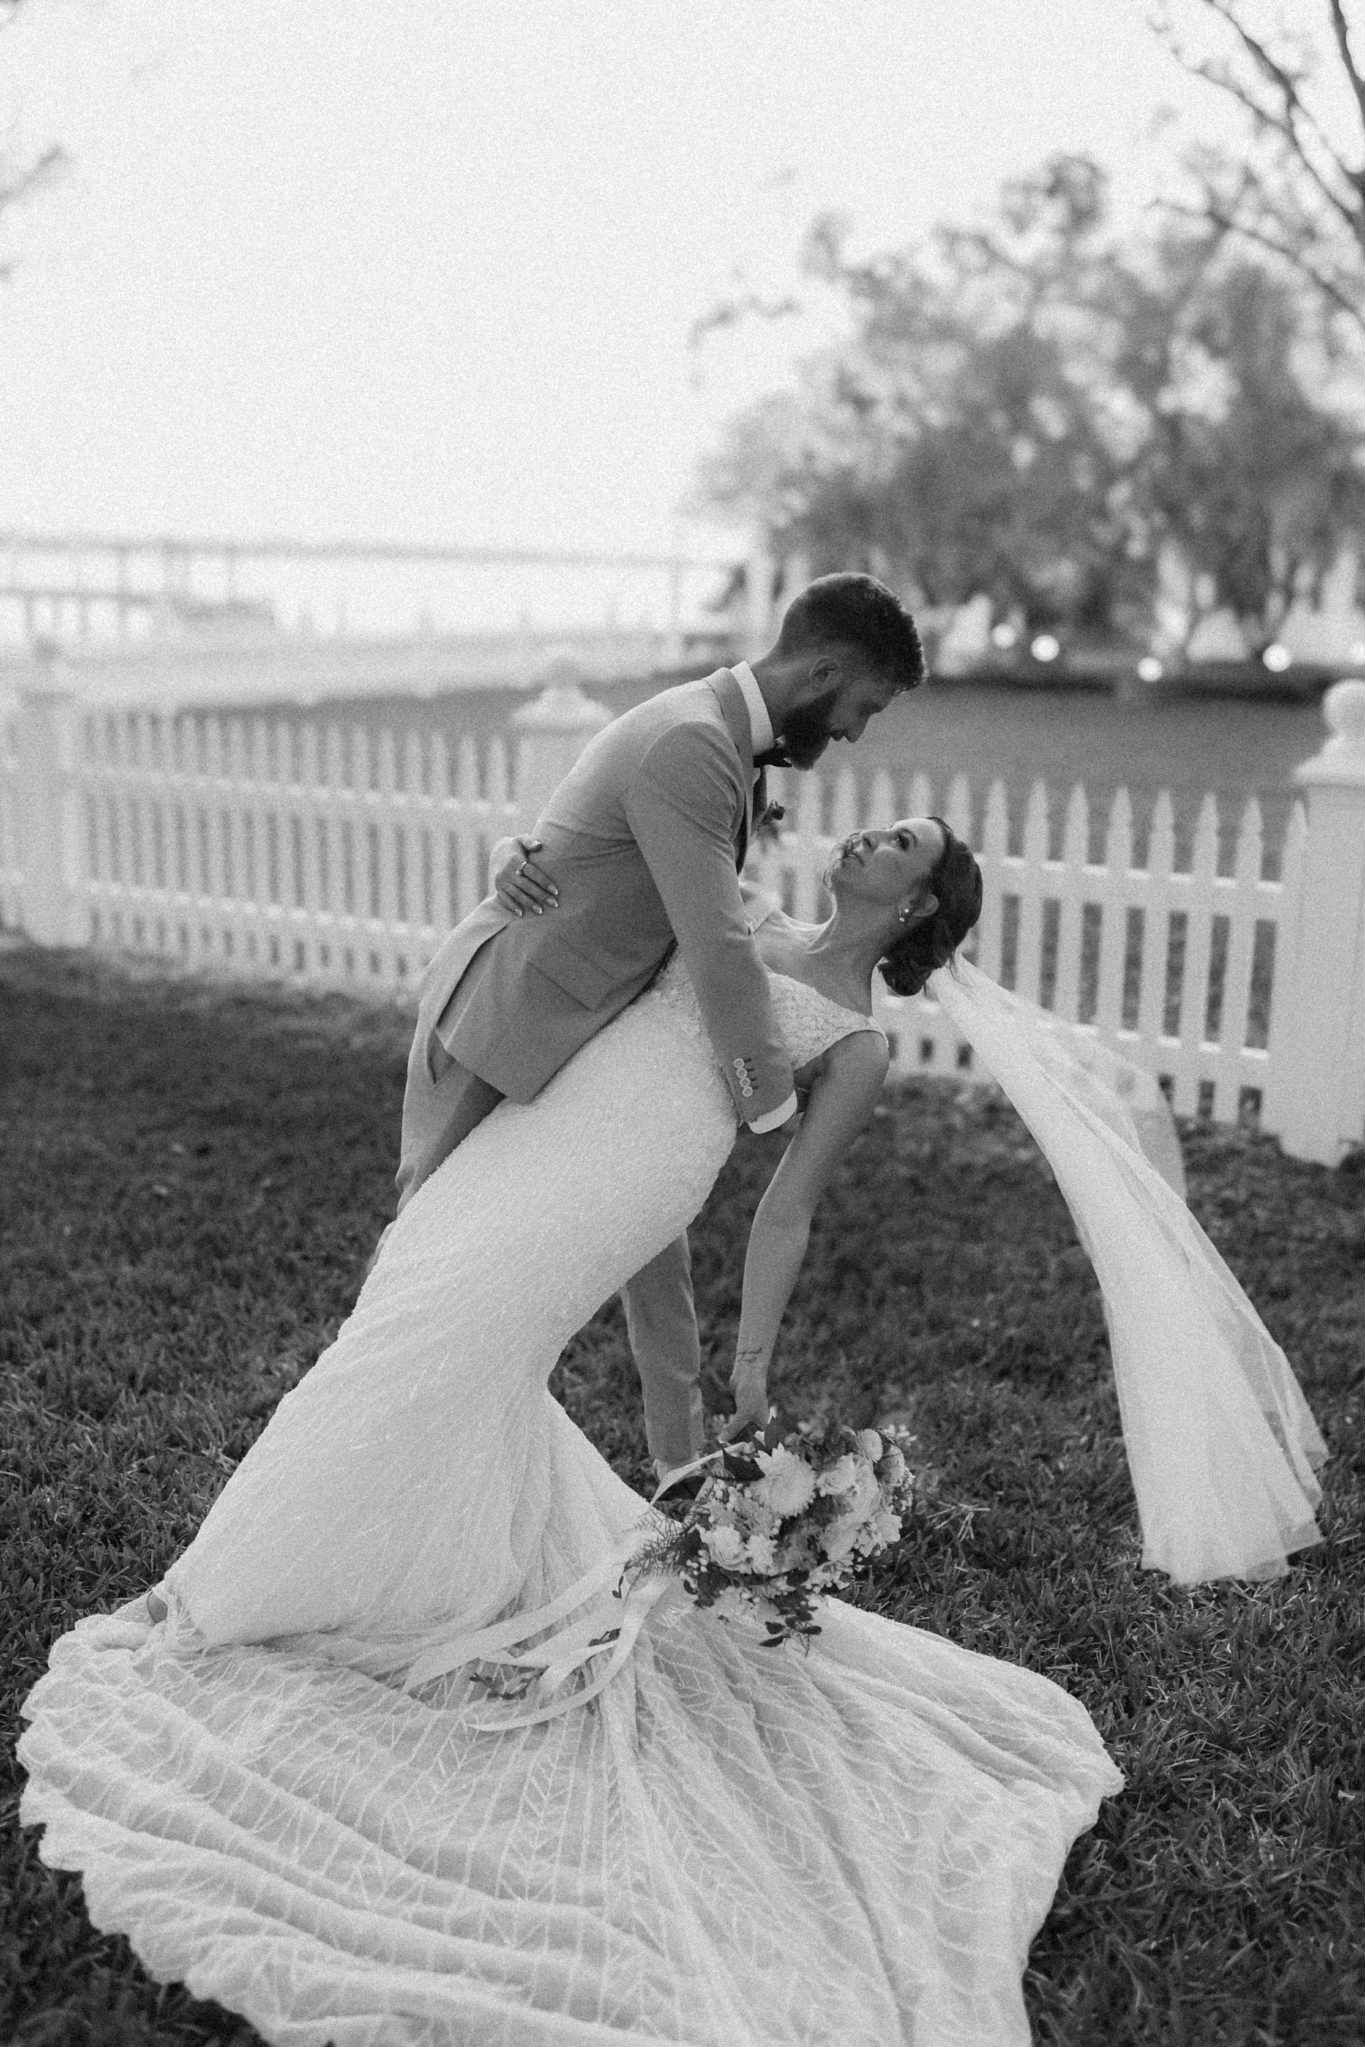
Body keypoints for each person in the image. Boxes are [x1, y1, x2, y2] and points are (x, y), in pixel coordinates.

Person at [16, 812, 1324, 2046]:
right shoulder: (733, 912)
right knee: (423, 1358)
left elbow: (786, 1210)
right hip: (539, 1145)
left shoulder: (854, 1040)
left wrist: (747, 1362)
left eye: (901, 846)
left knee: (425, 1358)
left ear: (916, 904)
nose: (870, 834)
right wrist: (518, 862)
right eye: (881, 824)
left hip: (624, 1181)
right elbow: (595, 893)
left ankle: (245, 1591)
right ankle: (379, 1573)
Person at [393, 571, 926, 1479]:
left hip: (605, 1041)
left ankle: (678, 1479)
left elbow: (614, 854)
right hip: (506, 1016)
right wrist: (765, 1103)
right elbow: (715, 939)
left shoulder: (721, 742)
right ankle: (383, 1456)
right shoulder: (694, 741)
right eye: (862, 707)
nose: (852, 733)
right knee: (425, 1256)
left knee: (656, 1272)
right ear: (823, 671)